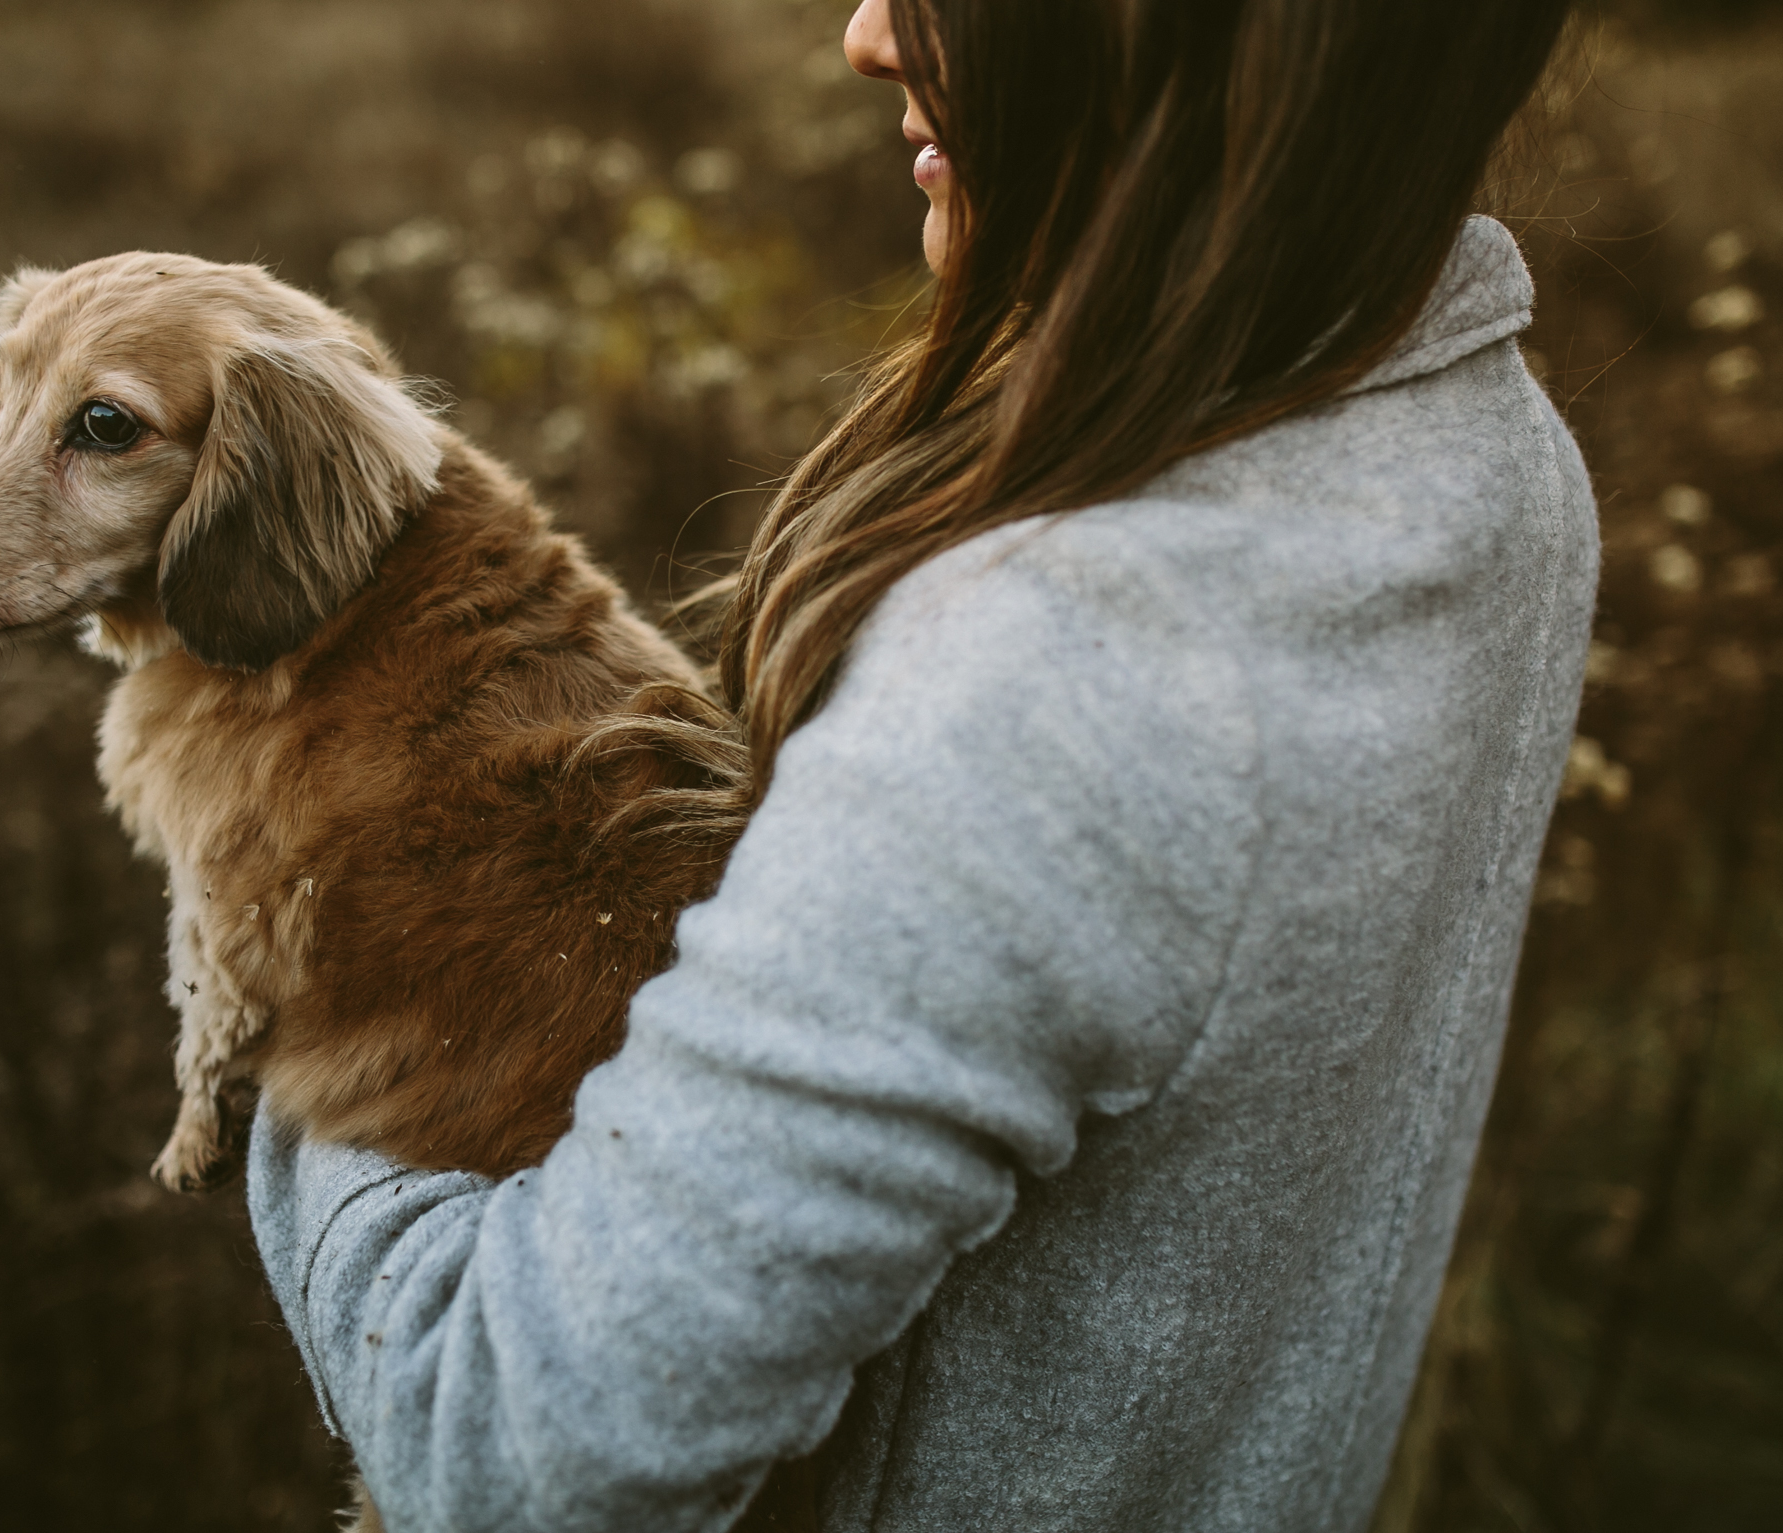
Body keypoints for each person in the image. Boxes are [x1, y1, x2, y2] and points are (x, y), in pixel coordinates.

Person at [246, 0, 1594, 1527]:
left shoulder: (1060, 673)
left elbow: (507, 1446)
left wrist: (294, 1005)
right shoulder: (1486, 453)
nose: (867, 35)